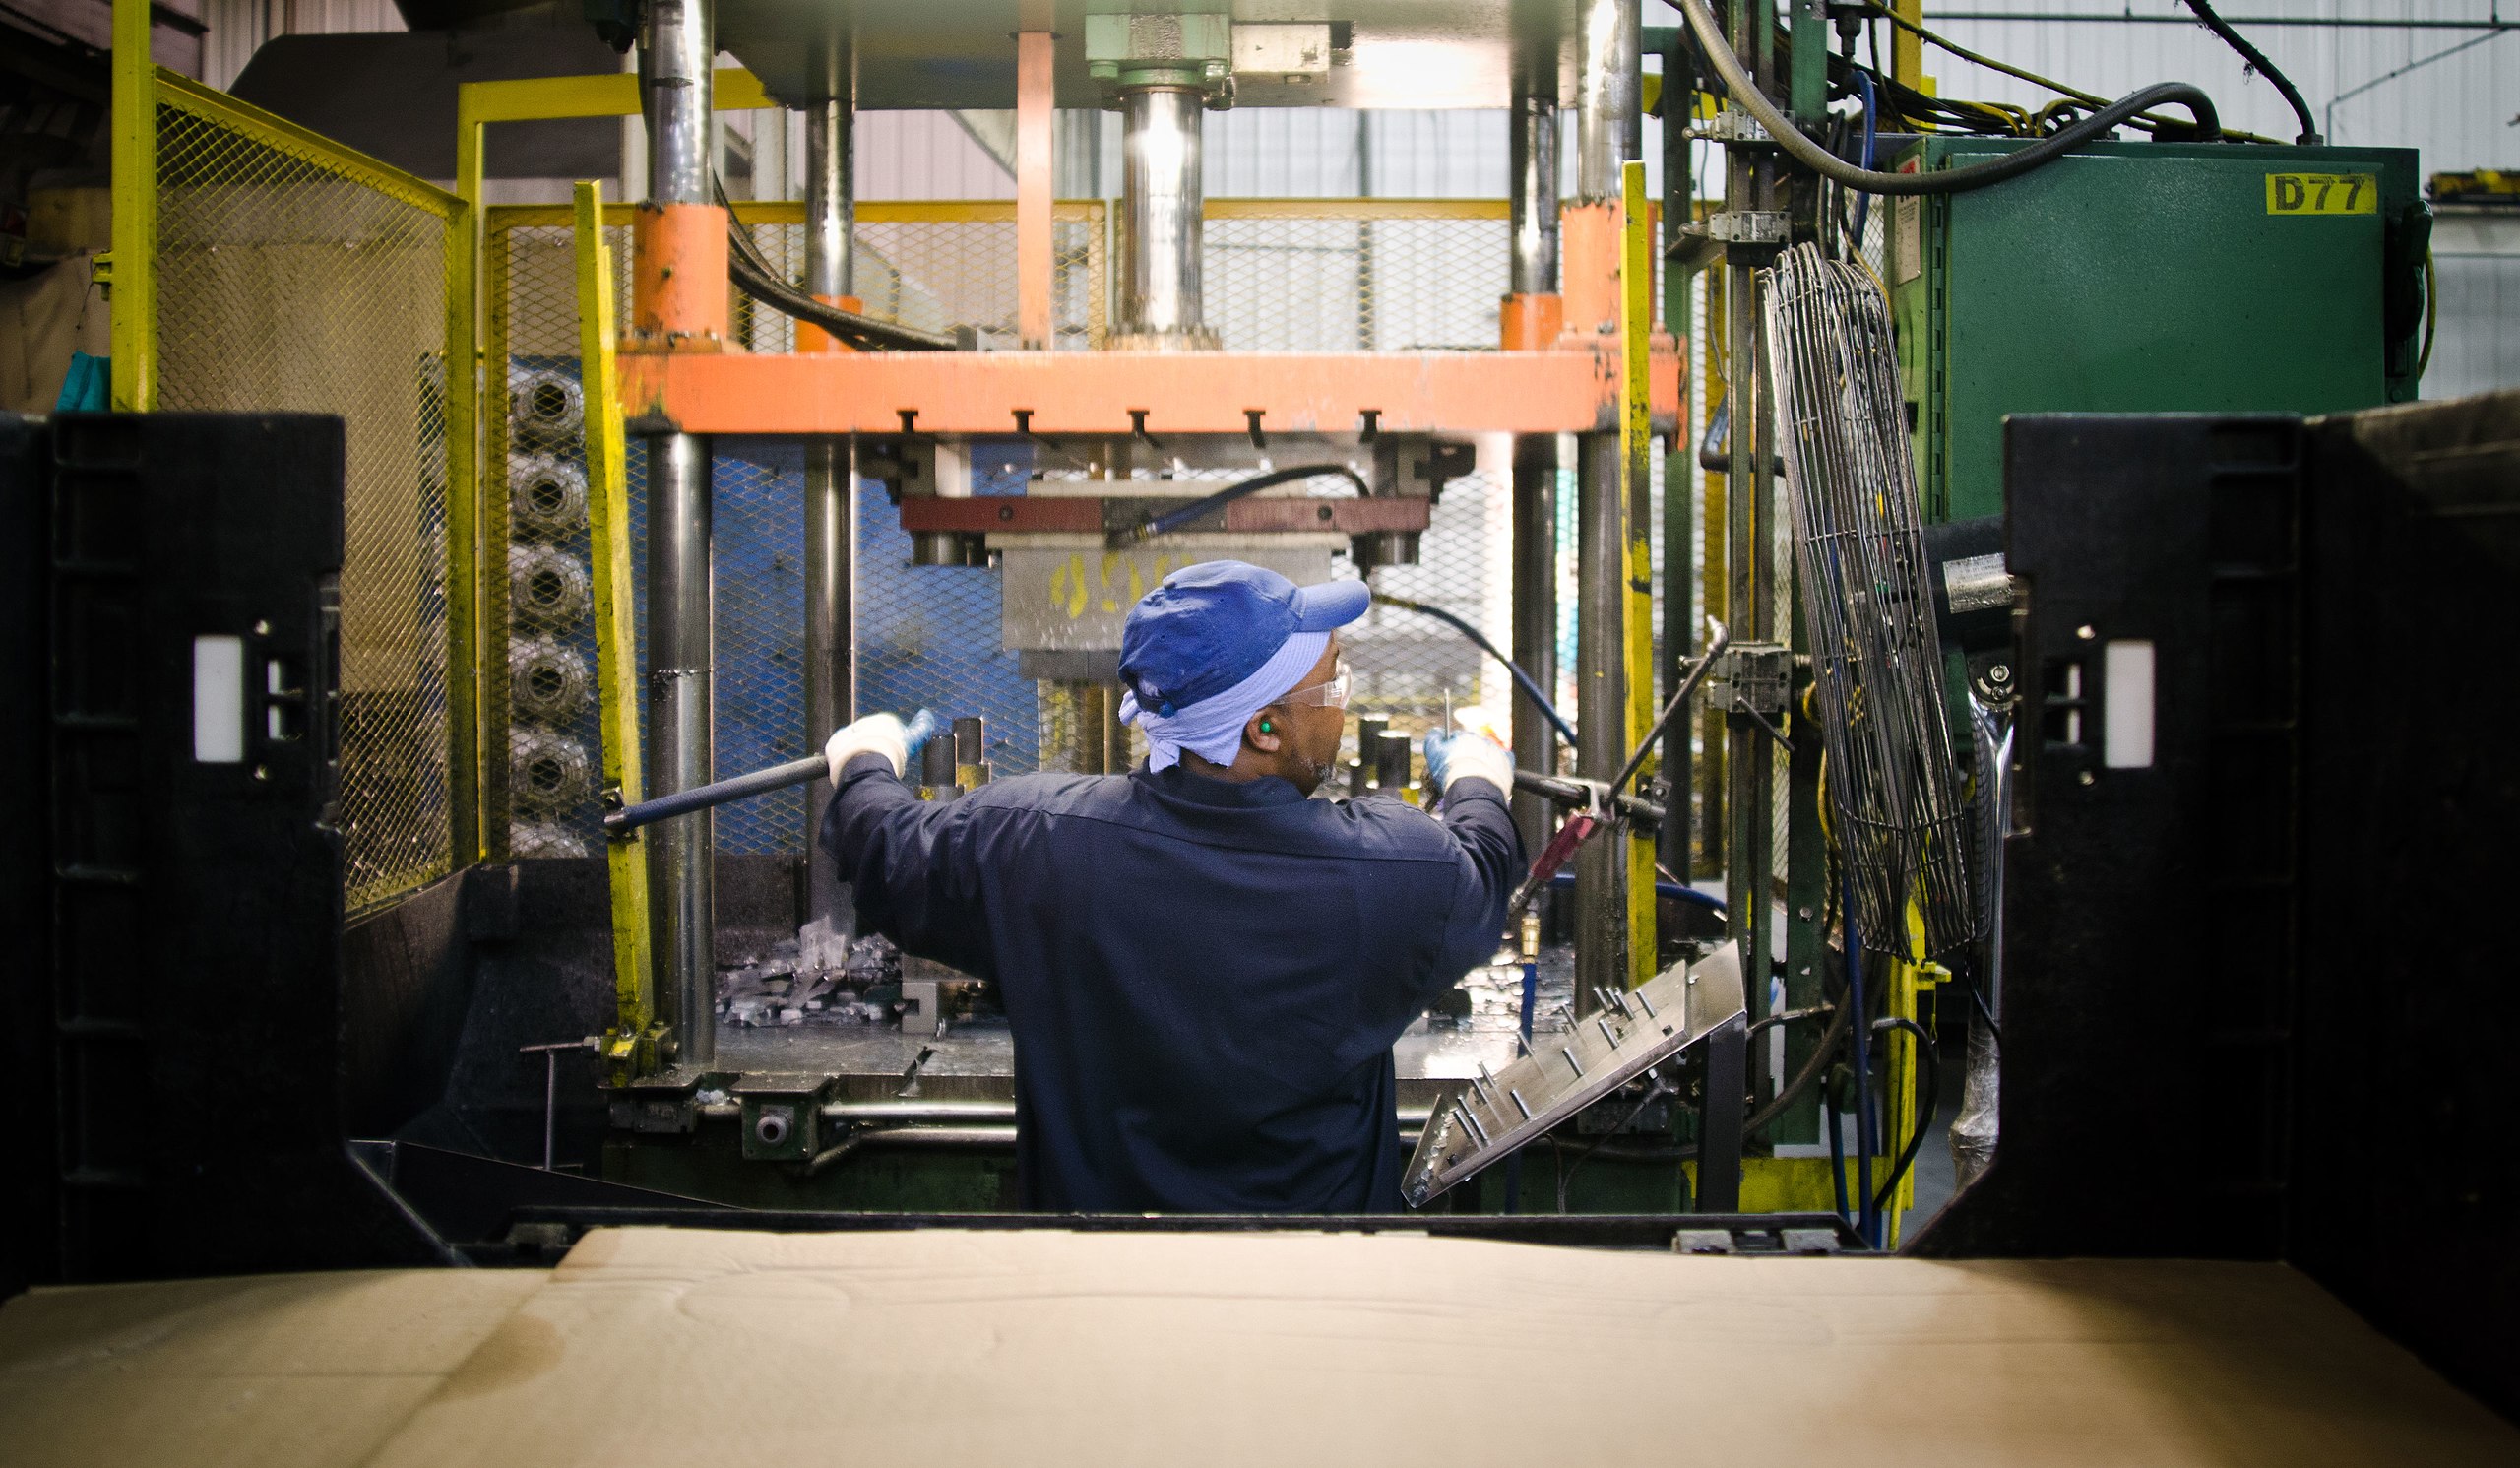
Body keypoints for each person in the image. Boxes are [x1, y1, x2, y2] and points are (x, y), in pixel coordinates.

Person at [820, 560, 1523, 1213]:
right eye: (1334, 682)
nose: (1345, 700)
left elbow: (883, 850)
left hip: (1099, 1285)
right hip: (1314, 1286)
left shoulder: (1035, 842)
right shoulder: (1389, 876)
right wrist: (1476, 775)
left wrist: (864, 757)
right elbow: (1486, 869)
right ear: (1266, 728)